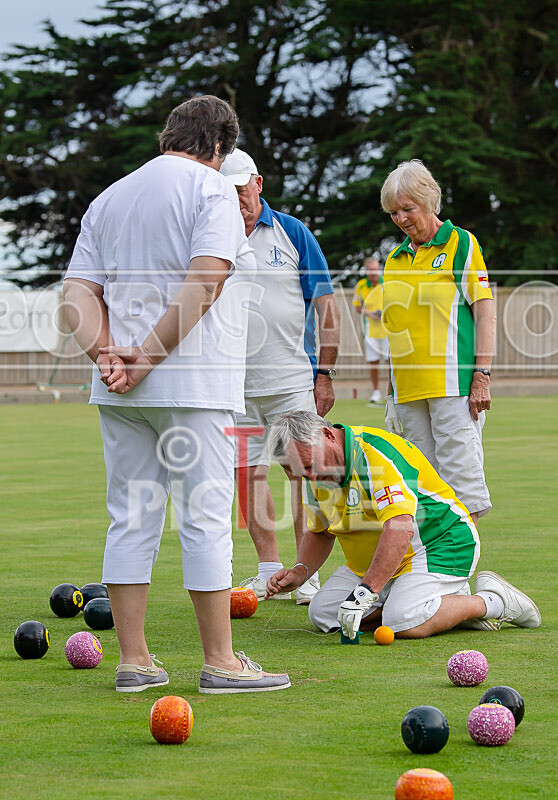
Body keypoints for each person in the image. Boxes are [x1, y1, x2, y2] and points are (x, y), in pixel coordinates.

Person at [63, 96, 289, 694]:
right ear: (219, 146)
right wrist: (146, 357)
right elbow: (208, 278)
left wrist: (110, 355)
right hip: (194, 384)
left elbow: (75, 299)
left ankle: (134, 661)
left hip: (119, 392)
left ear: (170, 135)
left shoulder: (108, 197)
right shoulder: (210, 189)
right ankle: (221, 662)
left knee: (130, 519)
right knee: (206, 520)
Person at [265, 411, 541, 639]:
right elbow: (322, 532)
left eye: (311, 466)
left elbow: (400, 528)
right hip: (382, 559)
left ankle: (492, 601)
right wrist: (300, 571)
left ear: (327, 435)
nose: (311, 478)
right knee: (323, 613)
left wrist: (365, 594)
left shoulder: (376, 455)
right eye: (301, 473)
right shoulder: (314, 475)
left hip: (440, 544)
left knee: (402, 621)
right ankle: (434, 606)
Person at [219, 148, 340, 604]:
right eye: (226, 192)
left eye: (241, 189)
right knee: (247, 474)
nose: (236, 200)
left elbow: (327, 304)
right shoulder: (213, 235)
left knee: (306, 473)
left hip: (292, 379)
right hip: (232, 383)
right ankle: (268, 568)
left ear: (258, 183)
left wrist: (324, 371)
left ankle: (305, 571)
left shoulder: (292, 232)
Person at [380, 160, 495, 524]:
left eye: (407, 209)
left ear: (429, 201)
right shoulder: (395, 259)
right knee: (423, 490)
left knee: (462, 487)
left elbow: (485, 311)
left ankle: (462, 574)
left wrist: (483, 374)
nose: (400, 219)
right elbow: (394, 328)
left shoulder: (461, 242)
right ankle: (437, 576)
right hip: (408, 391)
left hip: (453, 386)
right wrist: (389, 394)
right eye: (394, 212)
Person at [352, 257, 389, 404]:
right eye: (371, 270)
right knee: (373, 362)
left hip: (388, 330)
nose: (374, 273)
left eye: (376, 269)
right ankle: (375, 392)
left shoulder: (386, 282)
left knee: (390, 362)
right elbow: (357, 307)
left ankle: (391, 392)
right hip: (370, 330)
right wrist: (370, 313)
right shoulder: (361, 285)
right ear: (366, 271)